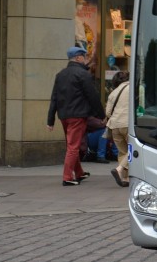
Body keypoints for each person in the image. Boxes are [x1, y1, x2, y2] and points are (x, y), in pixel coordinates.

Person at [46, 45, 105, 187]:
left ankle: (79, 173)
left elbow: (54, 97)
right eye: (84, 57)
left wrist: (50, 120)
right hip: (78, 115)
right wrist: (101, 114)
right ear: (79, 58)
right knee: (73, 146)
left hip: (64, 116)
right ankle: (67, 177)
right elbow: (92, 96)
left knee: (72, 144)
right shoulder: (83, 75)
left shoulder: (60, 75)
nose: (86, 60)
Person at [104, 70, 131, 187]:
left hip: (114, 125)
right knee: (133, 149)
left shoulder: (113, 92)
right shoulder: (133, 88)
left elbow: (108, 112)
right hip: (128, 123)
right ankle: (120, 169)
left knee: (122, 152)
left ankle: (125, 178)